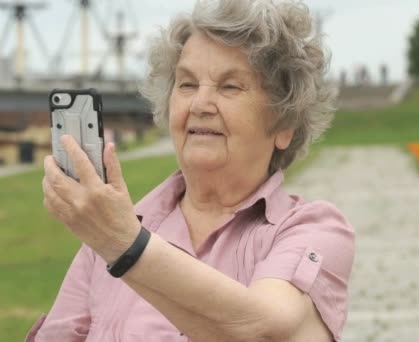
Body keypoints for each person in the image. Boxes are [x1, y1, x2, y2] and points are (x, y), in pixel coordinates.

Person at [27, 0, 355, 341]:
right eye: (186, 84)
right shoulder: (115, 230)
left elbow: (263, 331)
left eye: (230, 86)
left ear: (284, 124)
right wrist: (116, 236)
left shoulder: (314, 230)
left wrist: (125, 245)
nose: (200, 104)